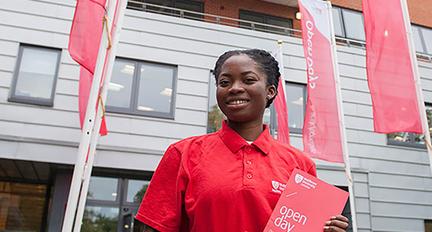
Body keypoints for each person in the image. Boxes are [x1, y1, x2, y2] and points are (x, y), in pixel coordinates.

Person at [135, 49, 349, 232]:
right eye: (225, 82)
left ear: (270, 91)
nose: (235, 88)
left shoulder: (300, 165)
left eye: (248, 80)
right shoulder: (183, 153)